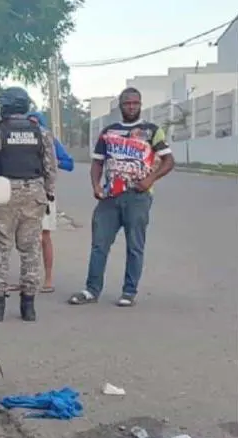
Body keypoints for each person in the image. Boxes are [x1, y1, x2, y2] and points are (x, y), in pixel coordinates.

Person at [68, 87, 174, 307]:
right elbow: (97, 162)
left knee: (135, 245)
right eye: (127, 103)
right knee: (99, 244)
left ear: (140, 104)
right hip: (110, 197)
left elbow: (168, 161)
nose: (132, 106)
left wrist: (150, 179)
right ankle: (91, 289)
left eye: (135, 103)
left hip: (138, 196)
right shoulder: (109, 132)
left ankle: (129, 292)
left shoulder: (152, 131)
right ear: (121, 106)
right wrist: (96, 185)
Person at [0, 87, 57, 322]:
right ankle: (28, 307)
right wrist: (48, 193)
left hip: (2, 195)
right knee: (30, 250)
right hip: (34, 195)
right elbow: (51, 168)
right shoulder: (42, 133)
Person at [27, 111, 74, 293]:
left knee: (44, 237)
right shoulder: (21, 141)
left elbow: (69, 164)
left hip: (45, 193)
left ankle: (48, 278)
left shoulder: (50, 140)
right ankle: (30, 277)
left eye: (35, 123)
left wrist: (51, 161)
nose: (33, 127)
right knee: (26, 238)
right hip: (24, 193)